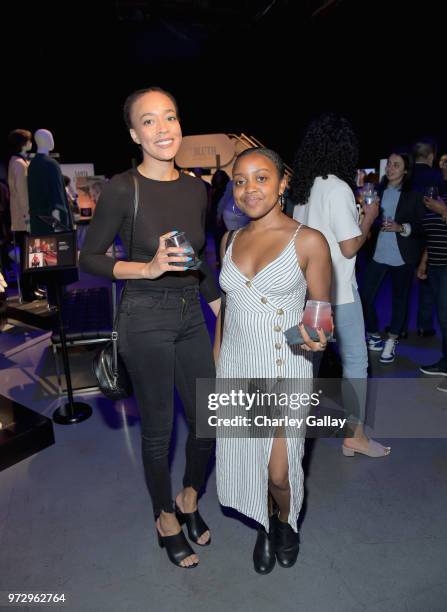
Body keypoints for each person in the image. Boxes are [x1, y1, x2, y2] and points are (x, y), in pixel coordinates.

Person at [79, 87, 220, 569]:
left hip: (190, 313)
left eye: (171, 117)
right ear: (134, 133)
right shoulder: (123, 187)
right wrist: (147, 268)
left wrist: (218, 302)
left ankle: (188, 499)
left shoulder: (198, 188)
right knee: (159, 431)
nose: (164, 129)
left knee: (207, 422)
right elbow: (90, 258)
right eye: (150, 121)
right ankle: (164, 517)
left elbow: (197, 258)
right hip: (144, 315)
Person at [214, 147, 332, 574]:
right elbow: (228, 311)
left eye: (261, 178)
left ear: (283, 183)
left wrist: (316, 337)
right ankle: (264, 525)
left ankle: (285, 521)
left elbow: (320, 314)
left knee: (279, 472)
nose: (249, 189)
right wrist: (218, 368)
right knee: (250, 465)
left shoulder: (310, 241)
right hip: (237, 368)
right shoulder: (229, 239)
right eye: (240, 180)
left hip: (285, 366)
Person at [290, 113, 390, 458]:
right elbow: (349, 246)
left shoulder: (304, 187)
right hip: (338, 292)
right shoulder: (337, 187)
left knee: (306, 364)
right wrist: (370, 218)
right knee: (355, 362)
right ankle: (355, 435)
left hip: (306, 290)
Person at [360, 150, 425, 363]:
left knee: (400, 299)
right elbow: (373, 221)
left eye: (396, 165)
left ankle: (392, 340)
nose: (389, 168)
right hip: (378, 253)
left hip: (403, 254)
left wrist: (401, 227)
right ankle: (374, 334)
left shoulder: (413, 194)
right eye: (388, 164)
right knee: (364, 296)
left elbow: (421, 225)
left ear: (406, 170)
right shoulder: (376, 191)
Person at [7, 129, 43, 302]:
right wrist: (28, 217)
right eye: (28, 140)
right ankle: (28, 291)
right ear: (23, 143)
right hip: (24, 219)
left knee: (31, 256)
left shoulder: (19, 162)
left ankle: (33, 287)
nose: (31, 143)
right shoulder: (19, 164)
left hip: (24, 218)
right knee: (28, 257)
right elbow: (22, 194)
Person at [27, 129, 73, 235]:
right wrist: (60, 223)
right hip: (52, 221)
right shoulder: (51, 164)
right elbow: (58, 196)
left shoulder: (32, 165)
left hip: (37, 220)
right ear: (48, 140)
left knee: (42, 250)